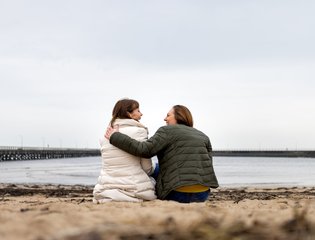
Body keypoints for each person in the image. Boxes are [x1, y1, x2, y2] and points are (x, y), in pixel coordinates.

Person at [105, 105, 219, 203]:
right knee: (157, 168)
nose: (165, 119)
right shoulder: (203, 136)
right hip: (202, 193)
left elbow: (145, 150)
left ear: (179, 116)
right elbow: (207, 164)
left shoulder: (167, 131)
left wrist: (115, 136)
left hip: (177, 192)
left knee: (149, 169)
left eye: (168, 115)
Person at [93, 98, 157, 203]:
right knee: (157, 170)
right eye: (138, 111)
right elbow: (147, 168)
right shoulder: (139, 132)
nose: (141, 114)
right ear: (129, 114)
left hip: (105, 188)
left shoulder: (105, 136)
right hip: (133, 188)